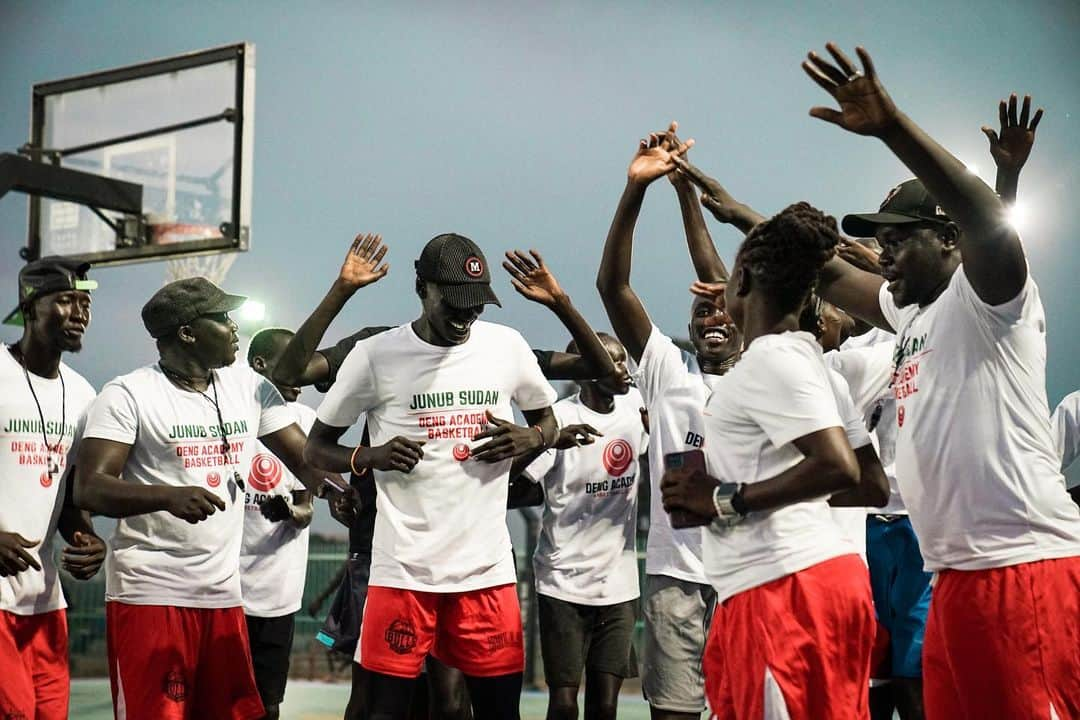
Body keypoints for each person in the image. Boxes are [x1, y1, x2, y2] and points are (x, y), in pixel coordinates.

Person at [803, 43, 1080, 717]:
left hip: (1022, 567)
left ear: (950, 238)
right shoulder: (914, 316)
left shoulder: (991, 301)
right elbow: (837, 275)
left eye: (901, 240)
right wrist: (752, 223)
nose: (885, 255)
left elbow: (987, 219)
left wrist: (891, 125)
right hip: (953, 573)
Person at [304, 233, 558, 720]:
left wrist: (534, 439)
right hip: (402, 572)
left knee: (499, 712)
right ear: (422, 289)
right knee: (384, 711)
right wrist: (371, 456)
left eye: (477, 305)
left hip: (486, 573)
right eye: (455, 303)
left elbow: (548, 422)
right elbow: (317, 448)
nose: (467, 316)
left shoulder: (506, 346)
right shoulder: (376, 355)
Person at [73, 277, 342, 720]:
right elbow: (91, 486)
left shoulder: (249, 387)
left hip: (223, 595)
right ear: (187, 332)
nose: (234, 328)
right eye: (222, 318)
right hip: (151, 592)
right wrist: (167, 496)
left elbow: (306, 459)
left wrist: (343, 490)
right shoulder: (127, 394)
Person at [661, 201, 888, 718]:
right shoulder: (814, 363)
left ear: (740, 284)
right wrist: (769, 490)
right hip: (822, 578)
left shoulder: (769, 359)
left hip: (783, 589)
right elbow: (871, 485)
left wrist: (725, 498)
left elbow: (838, 468)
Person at [596, 123, 749, 720]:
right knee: (676, 712)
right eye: (699, 308)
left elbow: (723, 277)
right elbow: (612, 286)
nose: (711, 316)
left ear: (742, 313)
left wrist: (688, 191)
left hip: (747, 573)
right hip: (676, 577)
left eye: (722, 306)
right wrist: (635, 190)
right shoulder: (667, 369)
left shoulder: (762, 367)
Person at [0, 257, 106, 720]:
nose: (80, 312)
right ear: (29, 308)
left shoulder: (83, 393)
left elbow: (70, 497)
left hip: (45, 599)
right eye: (65, 300)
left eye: (84, 302)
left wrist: (86, 536)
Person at [240, 328, 320, 720]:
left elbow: (308, 509)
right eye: (291, 365)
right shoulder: (233, 416)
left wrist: (290, 512)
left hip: (276, 593)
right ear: (259, 366)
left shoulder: (308, 422)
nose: (301, 377)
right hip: (223, 589)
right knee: (218, 697)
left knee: (267, 703)